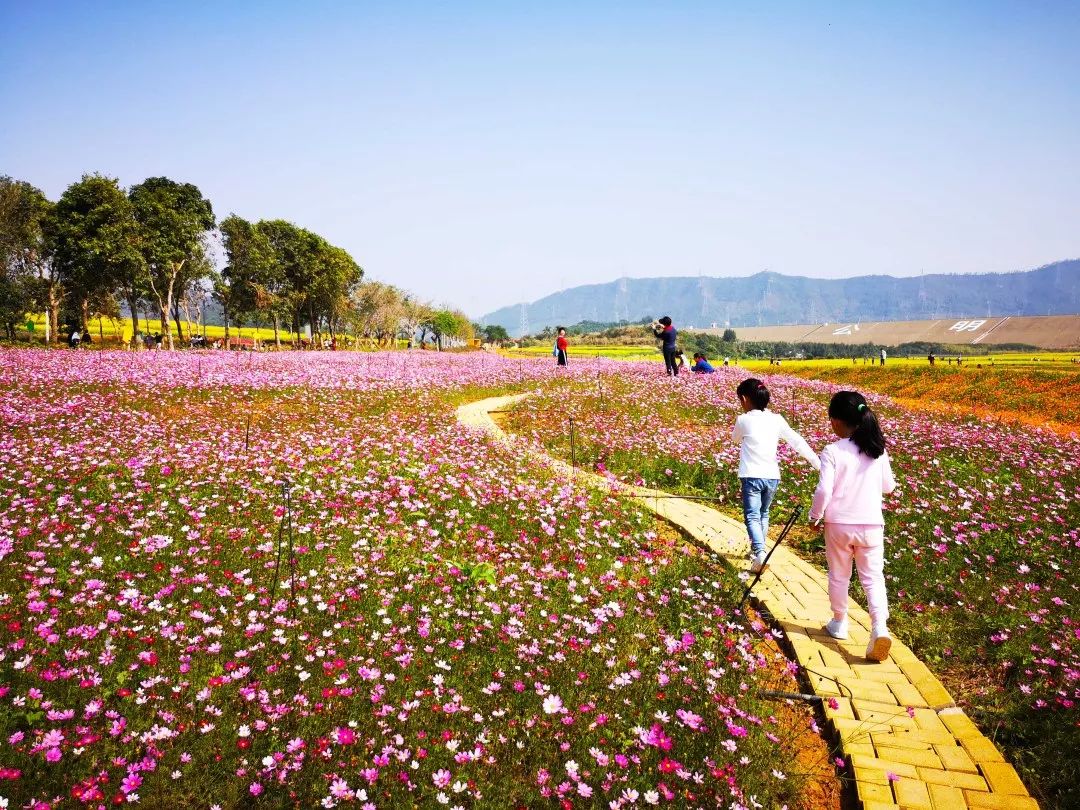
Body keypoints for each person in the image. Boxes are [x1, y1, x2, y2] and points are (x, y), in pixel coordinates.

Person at [808, 391, 897, 662]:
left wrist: (814, 516)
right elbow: (889, 488)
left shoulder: (833, 451)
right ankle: (879, 627)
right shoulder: (876, 450)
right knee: (873, 578)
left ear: (836, 421)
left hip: (839, 525)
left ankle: (839, 622)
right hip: (871, 525)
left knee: (839, 574)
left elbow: (824, 490)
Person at [732, 378, 820, 574]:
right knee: (763, 513)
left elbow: (735, 439)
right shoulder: (777, 419)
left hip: (751, 475)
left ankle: (760, 553)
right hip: (772, 476)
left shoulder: (743, 420)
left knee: (752, 516)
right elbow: (797, 442)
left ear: (744, 399)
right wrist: (818, 464)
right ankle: (758, 552)